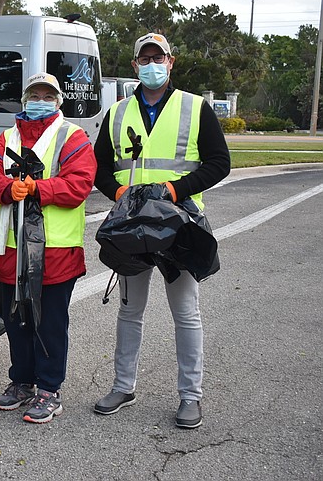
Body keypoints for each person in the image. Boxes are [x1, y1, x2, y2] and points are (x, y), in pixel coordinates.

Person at [92, 33, 230, 429]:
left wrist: (174, 189)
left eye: (159, 57)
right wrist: (116, 192)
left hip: (178, 225)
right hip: (133, 227)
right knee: (130, 310)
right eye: (145, 58)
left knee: (185, 312)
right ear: (135, 65)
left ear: (171, 61)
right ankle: (123, 386)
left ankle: (190, 397)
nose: (152, 64)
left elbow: (219, 162)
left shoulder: (195, 107)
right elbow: (99, 165)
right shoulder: (117, 112)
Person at [0, 72, 96, 424]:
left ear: (58, 101)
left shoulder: (72, 136)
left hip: (56, 250)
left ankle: (49, 388)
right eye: (34, 94)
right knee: (16, 321)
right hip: (11, 248)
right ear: (24, 100)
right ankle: (21, 381)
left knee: (49, 323)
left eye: (47, 95)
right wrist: (6, 189)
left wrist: (37, 189)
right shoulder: (4, 139)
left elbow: (79, 184)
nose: (40, 100)